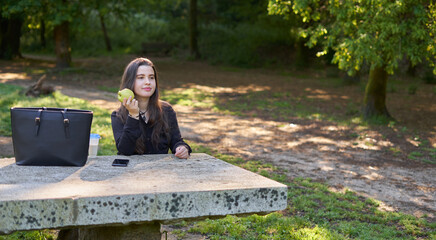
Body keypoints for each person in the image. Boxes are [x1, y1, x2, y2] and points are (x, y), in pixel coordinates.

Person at [111, 57, 191, 159]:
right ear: (130, 81)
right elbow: (125, 150)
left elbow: (176, 141)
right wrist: (133, 115)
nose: (148, 82)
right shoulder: (118, 115)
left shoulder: (166, 110)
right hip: (131, 173)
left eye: (151, 77)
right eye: (141, 77)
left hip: (159, 171)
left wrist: (182, 148)